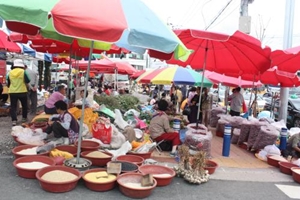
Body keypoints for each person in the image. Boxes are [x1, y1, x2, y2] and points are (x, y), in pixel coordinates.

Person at [6, 59, 30, 126]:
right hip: (22, 91)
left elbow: (8, 83)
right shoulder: (23, 72)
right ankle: (24, 118)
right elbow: (28, 80)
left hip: (12, 92)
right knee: (24, 105)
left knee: (13, 106)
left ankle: (14, 120)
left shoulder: (9, 73)